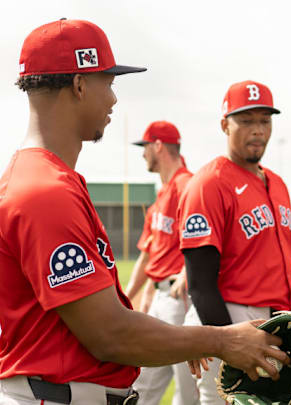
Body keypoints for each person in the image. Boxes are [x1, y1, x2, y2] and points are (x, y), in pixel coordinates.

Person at [0, 19, 288, 405]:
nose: (113, 100)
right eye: (108, 83)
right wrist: (223, 340)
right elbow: (111, 335)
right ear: (79, 85)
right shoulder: (44, 191)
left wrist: (184, 340)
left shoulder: (44, 179)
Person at [177, 80, 291, 405]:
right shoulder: (208, 184)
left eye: (264, 120)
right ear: (225, 125)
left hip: (277, 323)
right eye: (246, 120)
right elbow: (201, 285)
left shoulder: (277, 185)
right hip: (227, 319)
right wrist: (228, 345)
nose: (257, 130)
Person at [124, 121, 198, 405]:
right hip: (159, 298)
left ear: (158, 146)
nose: (143, 154)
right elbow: (147, 254)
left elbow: (206, 234)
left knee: (188, 389)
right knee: (142, 385)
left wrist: (186, 270)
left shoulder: (187, 185)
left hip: (181, 298)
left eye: (145, 147)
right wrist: (129, 296)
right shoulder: (162, 195)